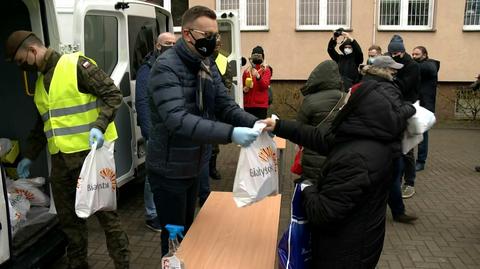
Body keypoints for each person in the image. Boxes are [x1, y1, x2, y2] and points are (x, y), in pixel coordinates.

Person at [263, 56, 415, 268]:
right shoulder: (371, 136)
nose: (343, 103)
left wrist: (306, 188)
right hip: (357, 241)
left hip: (343, 252)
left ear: (360, 108)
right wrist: (279, 126)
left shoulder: (358, 158)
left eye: (349, 100)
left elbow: (323, 212)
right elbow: (320, 138)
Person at [6, 31, 130, 269]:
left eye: (21, 61)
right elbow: (43, 123)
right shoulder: (42, 82)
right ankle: (78, 264)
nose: (22, 67)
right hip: (62, 162)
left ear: (32, 51)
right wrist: (29, 156)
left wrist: (99, 126)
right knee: (69, 222)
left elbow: (112, 95)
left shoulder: (76, 66)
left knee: (107, 218)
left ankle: (122, 264)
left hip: (90, 158)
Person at [147, 6, 260, 256]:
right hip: (170, 172)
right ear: (187, 34)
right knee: (175, 237)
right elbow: (178, 120)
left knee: (188, 230)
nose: (214, 40)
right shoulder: (166, 67)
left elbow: (224, 104)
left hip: (194, 166)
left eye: (216, 34)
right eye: (208, 34)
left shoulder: (205, 62)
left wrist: (255, 123)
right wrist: (231, 133)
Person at [135, 32, 176, 232]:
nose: (170, 46)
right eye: (166, 43)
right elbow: (141, 101)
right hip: (155, 132)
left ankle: (163, 208)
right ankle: (151, 214)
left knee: (168, 173)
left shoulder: (175, 65)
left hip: (172, 130)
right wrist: (149, 132)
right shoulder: (147, 69)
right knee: (154, 174)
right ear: (157, 46)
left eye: (174, 43)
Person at [198, 33, 235, 206]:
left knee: (214, 142)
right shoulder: (200, 57)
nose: (217, 47)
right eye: (216, 44)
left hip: (215, 106)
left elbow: (227, 82)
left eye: (219, 45)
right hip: (203, 107)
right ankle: (205, 171)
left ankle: (212, 167)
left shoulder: (223, 61)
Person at [296, 60, 346, 184]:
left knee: (311, 194)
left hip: (312, 160)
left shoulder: (310, 101)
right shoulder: (347, 99)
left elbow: (299, 129)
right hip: (339, 157)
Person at [387, 34, 421, 200]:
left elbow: (405, 86)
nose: (392, 57)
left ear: (401, 52)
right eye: (390, 54)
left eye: (394, 54)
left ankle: (410, 182)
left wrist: (391, 76)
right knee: (395, 147)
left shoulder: (412, 66)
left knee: (407, 148)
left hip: (408, 108)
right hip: (395, 107)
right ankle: (396, 179)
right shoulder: (392, 59)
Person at [411, 46, 440, 173]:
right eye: (412, 54)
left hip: (425, 106)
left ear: (425, 55)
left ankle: (421, 161)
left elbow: (429, 69)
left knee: (422, 133)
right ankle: (410, 159)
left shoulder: (430, 65)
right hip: (415, 104)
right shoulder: (415, 66)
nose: (414, 56)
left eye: (417, 54)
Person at [242, 45, 272, 119]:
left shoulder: (266, 70)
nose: (256, 58)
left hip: (260, 106)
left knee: (259, 128)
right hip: (248, 105)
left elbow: (265, 86)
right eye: (254, 56)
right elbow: (242, 86)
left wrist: (258, 76)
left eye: (258, 56)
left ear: (263, 57)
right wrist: (245, 89)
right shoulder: (247, 71)